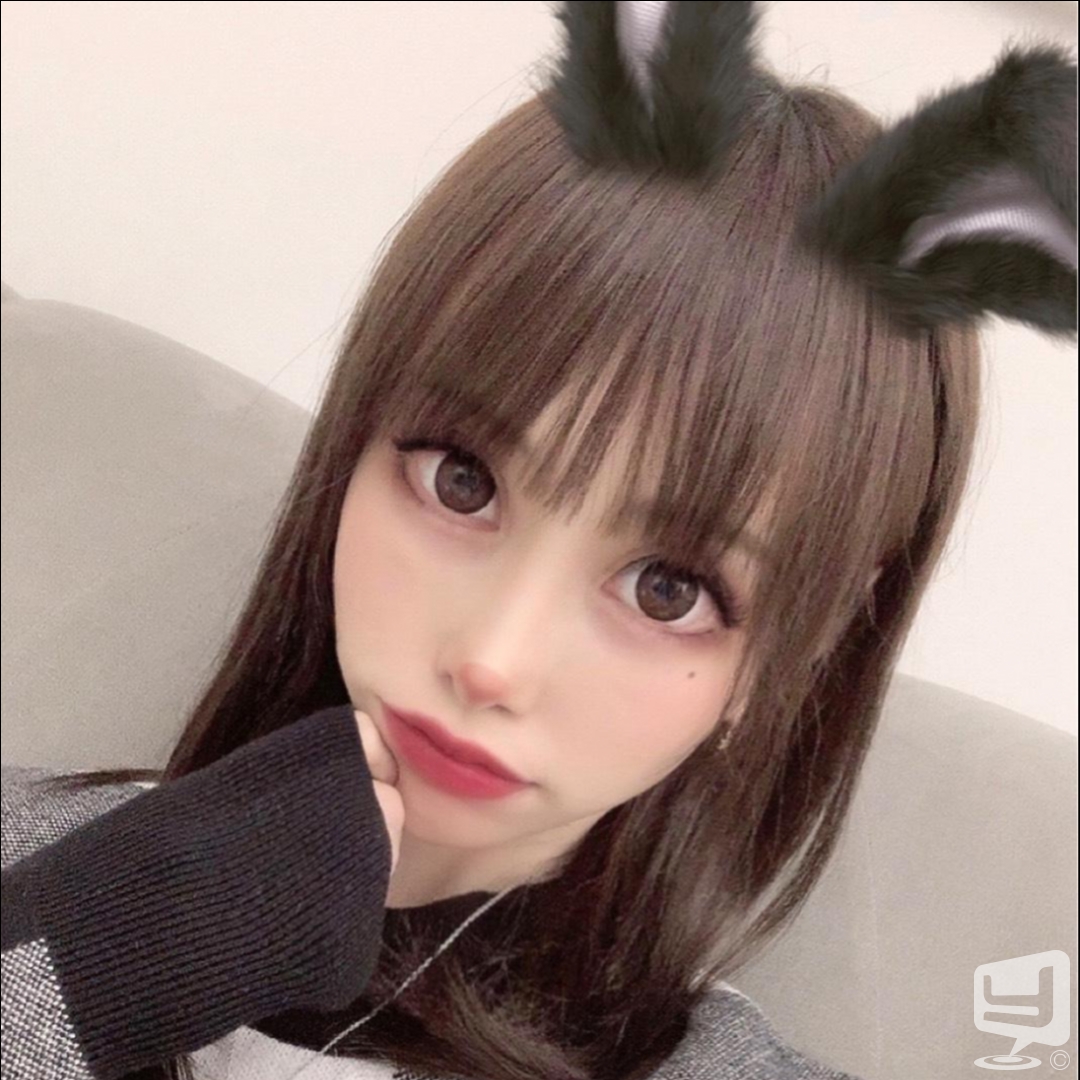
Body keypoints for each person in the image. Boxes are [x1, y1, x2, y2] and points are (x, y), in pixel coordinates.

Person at [2, 3, 1075, 1079]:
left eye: (666, 590)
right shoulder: (33, 857)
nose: (492, 660)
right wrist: (77, 975)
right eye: (461, 482)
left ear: (801, 647)